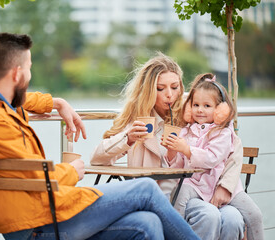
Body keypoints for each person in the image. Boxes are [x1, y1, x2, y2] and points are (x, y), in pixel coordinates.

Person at [0, 33, 200, 240]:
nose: (30, 76)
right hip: (34, 222)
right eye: (29, 69)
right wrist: (72, 170)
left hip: (35, 211)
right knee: (145, 189)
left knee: (147, 223)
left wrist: (55, 102)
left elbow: (16, 98)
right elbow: (36, 176)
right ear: (17, 74)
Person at [90, 52, 261, 240]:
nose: (169, 95)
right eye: (160, 88)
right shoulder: (138, 123)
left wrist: (226, 186)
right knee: (209, 216)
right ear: (149, 90)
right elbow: (97, 158)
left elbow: (233, 146)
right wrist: (127, 139)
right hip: (165, 199)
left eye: (174, 87)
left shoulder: (193, 111)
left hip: (202, 190)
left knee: (234, 218)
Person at [165, 73, 264, 240]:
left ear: (220, 111)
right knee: (180, 193)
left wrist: (187, 150)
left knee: (254, 215)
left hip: (220, 185)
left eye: (207, 105)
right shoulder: (185, 131)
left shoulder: (223, 133)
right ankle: (174, 232)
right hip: (195, 183)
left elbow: (212, 158)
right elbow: (177, 166)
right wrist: (173, 152)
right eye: (195, 105)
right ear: (189, 108)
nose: (200, 110)